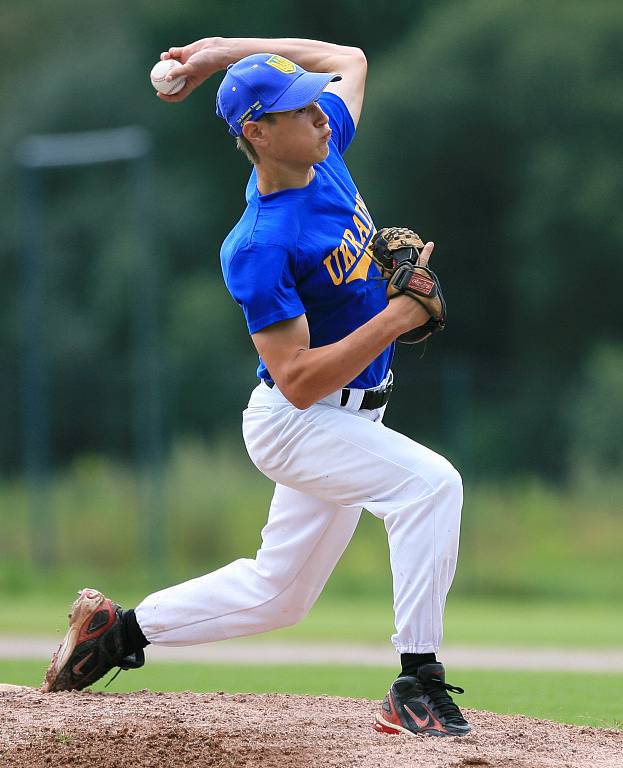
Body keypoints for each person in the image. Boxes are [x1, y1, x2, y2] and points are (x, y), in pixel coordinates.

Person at [43, 37, 470, 738]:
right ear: (257, 132)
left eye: (312, 103)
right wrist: (396, 316)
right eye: (299, 109)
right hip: (296, 424)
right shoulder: (258, 243)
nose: (320, 115)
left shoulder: (324, 154)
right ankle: (415, 681)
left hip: (355, 418)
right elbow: (297, 379)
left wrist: (219, 51)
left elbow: (351, 59)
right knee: (430, 486)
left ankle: (113, 636)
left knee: (280, 595)